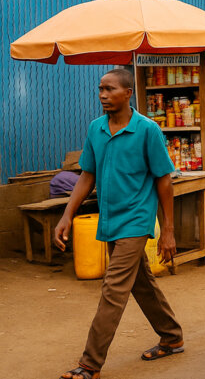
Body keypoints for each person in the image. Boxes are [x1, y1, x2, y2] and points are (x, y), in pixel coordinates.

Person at [55, 69, 183, 379]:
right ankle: (171, 336)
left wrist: (168, 230)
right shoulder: (96, 128)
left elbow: (164, 180)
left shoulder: (147, 130)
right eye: (101, 89)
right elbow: (87, 175)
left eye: (110, 89)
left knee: (113, 289)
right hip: (109, 219)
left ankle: (90, 364)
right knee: (140, 282)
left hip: (136, 220)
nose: (103, 94)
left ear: (128, 93)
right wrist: (67, 214)